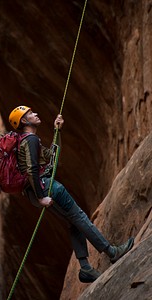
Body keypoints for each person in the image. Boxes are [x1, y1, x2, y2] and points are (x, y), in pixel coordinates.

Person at [9, 105, 134, 283]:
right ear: (24, 120)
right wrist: (40, 197)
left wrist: (57, 131)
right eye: (30, 113)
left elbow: (53, 158)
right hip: (48, 188)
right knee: (79, 217)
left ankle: (85, 269)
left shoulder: (28, 140)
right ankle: (112, 252)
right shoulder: (29, 140)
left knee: (73, 223)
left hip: (40, 190)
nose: (35, 113)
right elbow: (32, 169)